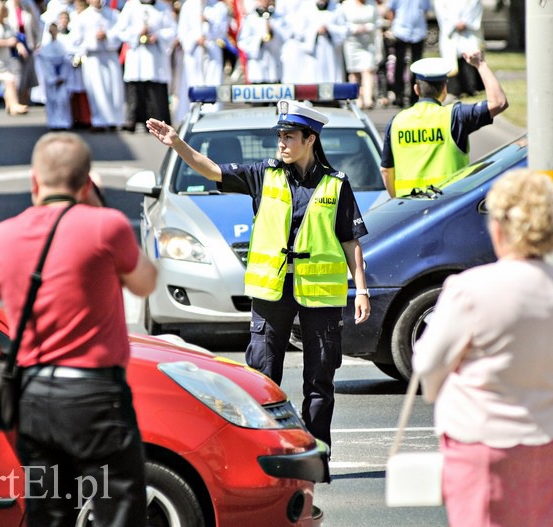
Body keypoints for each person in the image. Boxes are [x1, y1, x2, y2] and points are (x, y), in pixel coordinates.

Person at [145, 100, 371, 448]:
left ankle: (316, 452)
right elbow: (210, 170)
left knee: (320, 379)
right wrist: (177, 143)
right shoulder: (264, 174)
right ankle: (266, 449)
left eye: (289, 136)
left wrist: (363, 291)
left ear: (310, 140)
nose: (281, 143)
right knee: (262, 377)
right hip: (272, 290)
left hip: (320, 293)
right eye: (279, 136)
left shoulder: (335, 185)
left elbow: (349, 241)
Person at [0, 132, 157, 526]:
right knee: (118, 512)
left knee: (48, 514)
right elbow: (146, 283)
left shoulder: (0, 237)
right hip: (95, 396)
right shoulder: (106, 227)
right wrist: (97, 207)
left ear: (34, 181)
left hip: (33, 397)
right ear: (86, 184)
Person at [412, 168, 553, 527]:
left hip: (482, 440)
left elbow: (428, 363)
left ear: (499, 226)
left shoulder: (469, 288)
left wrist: (438, 390)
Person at [379, 55, 508, 199]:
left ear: (416, 89)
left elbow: (386, 171)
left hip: (409, 211)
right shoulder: (455, 116)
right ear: (444, 89)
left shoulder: (396, 121)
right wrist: (480, 64)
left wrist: (397, 202)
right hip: (449, 207)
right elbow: (499, 102)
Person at [115, 0, 175, 131]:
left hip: (156, 57)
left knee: (155, 90)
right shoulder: (131, 6)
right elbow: (120, 30)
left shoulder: (163, 7)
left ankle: (158, 122)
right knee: (135, 89)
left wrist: (158, 35)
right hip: (137, 55)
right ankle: (133, 120)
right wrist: (138, 32)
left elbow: (171, 30)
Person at [70, 0, 124, 131]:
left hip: (110, 55)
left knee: (114, 89)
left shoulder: (113, 14)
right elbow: (75, 41)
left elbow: (120, 33)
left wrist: (107, 36)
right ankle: (99, 121)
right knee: (96, 90)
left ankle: (115, 120)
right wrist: (93, 39)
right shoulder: (82, 17)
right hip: (93, 58)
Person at [433, 0, 483, 99]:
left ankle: (470, 88)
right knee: (451, 60)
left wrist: (465, 22)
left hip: (468, 31)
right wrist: (454, 24)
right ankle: (454, 89)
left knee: (468, 57)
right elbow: (441, 11)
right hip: (451, 32)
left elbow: (475, 6)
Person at [385, 0, 429, 107]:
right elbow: (391, 10)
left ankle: (415, 95)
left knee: (416, 65)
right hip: (401, 30)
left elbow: (425, 10)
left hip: (418, 31)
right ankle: (399, 95)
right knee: (400, 64)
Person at [339, 0, 379, 109]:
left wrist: (368, 27)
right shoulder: (346, 5)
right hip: (352, 43)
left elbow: (377, 22)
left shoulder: (372, 4)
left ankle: (368, 99)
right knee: (354, 72)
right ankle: (357, 99)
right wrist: (354, 29)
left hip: (368, 43)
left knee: (368, 69)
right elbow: (342, 23)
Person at [35, 21, 72, 129]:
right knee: (52, 100)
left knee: (63, 99)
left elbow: (67, 61)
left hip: (62, 75)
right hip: (51, 76)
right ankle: (53, 122)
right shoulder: (45, 48)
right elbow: (44, 65)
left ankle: (64, 122)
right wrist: (52, 78)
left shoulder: (63, 45)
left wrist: (63, 76)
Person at [237, 0, 283, 84]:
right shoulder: (250, 18)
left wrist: (273, 33)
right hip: (258, 67)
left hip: (274, 67)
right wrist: (259, 41)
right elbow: (242, 41)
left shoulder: (277, 16)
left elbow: (284, 38)